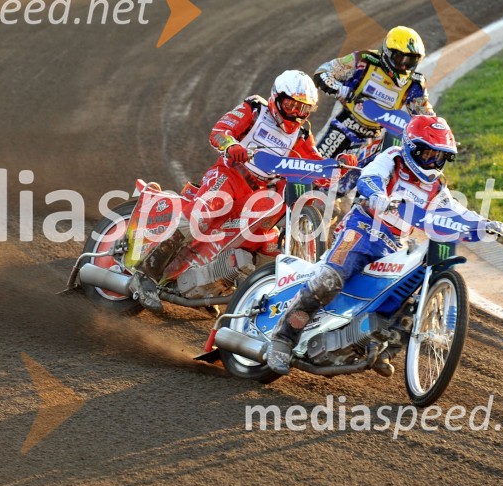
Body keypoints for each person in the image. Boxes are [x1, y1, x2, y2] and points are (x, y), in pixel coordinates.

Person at [266, 115, 503, 375]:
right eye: (427, 154)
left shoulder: (436, 186)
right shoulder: (393, 157)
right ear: (412, 148)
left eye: (439, 157)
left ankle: (379, 346)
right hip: (361, 228)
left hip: (394, 245)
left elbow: (454, 211)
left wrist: (484, 224)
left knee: (410, 300)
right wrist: (377, 195)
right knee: (330, 280)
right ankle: (283, 338)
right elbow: (371, 176)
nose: (432, 162)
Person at [128, 70, 358, 311]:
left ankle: (214, 285)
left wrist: (338, 166)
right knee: (199, 218)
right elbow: (219, 132)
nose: (296, 113)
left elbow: (315, 165)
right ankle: (145, 275)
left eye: (303, 108)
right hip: (230, 175)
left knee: (265, 244)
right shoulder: (255, 109)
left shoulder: (301, 135)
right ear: (276, 98)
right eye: (291, 105)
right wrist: (231, 145)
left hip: (261, 194)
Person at [313, 26, 435, 163]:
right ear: (388, 52)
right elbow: (323, 71)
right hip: (343, 123)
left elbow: (427, 118)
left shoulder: (415, 84)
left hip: (374, 139)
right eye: (400, 58)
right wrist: (341, 89)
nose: (403, 66)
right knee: (317, 165)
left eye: (410, 61)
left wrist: (439, 131)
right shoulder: (364, 60)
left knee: (365, 173)